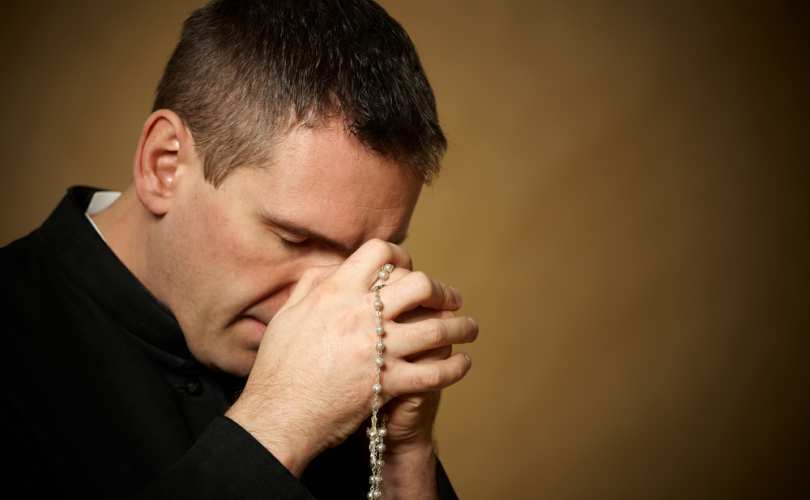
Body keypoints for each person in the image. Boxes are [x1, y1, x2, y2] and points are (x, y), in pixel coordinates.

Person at [1, 0, 478, 499]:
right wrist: (280, 421)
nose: (324, 300)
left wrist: (405, 455)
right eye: (293, 238)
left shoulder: (356, 354)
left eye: (366, 258)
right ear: (163, 164)